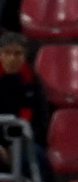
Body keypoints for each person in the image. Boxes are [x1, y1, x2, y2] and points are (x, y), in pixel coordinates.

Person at [0, 32, 49, 173]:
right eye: (7, 53)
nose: (12, 58)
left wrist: (16, 144)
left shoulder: (33, 81)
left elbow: (40, 120)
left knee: (38, 157)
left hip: (23, 141)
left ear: (25, 56)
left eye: (17, 53)